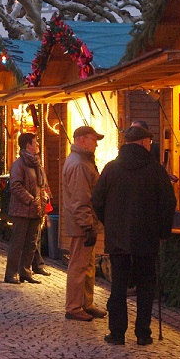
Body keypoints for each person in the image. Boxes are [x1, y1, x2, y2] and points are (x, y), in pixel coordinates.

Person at [92, 124, 176, 346]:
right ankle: (143, 334)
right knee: (146, 286)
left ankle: (117, 333)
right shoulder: (156, 171)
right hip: (147, 238)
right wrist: (162, 231)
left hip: (118, 238)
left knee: (118, 286)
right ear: (143, 142)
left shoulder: (111, 169)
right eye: (149, 141)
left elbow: (97, 200)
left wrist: (110, 222)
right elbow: (168, 203)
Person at [62, 125, 106, 322]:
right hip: (82, 224)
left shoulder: (83, 161)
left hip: (84, 221)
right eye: (93, 139)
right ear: (82, 140)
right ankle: (74, 307)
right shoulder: (79, 164)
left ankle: (86, 304)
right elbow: (81, 199)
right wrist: (87, 225)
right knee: (79, 266)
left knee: (87, 265)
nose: (96, 144)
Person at [4, 132, 50, 284]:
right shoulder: (19, 164)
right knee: (17, 243)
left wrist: (44, 197)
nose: (37, 145)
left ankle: (25, 272)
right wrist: (30, 200)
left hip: (36, 210)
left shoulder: (36, 163)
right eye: (35, 143)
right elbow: (15, 186)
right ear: (28, 145)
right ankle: (11, 274)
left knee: (32, 242)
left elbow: (42, 184)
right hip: (22, 210)